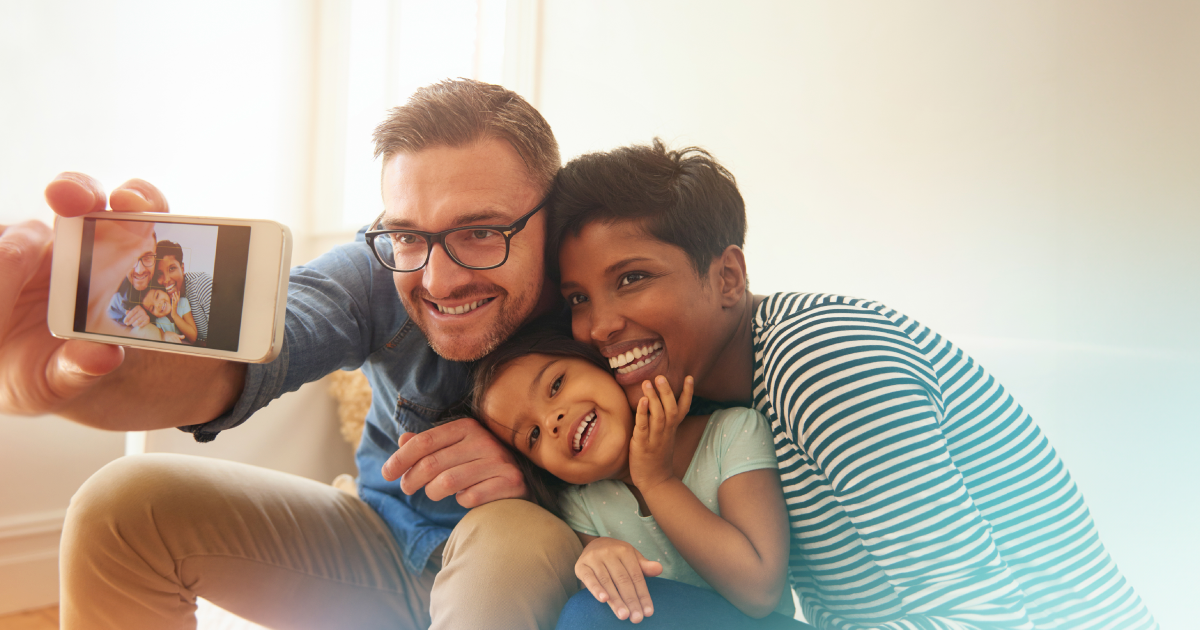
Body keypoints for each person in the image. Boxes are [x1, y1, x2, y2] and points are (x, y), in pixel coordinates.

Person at [0, 80, 582, 630]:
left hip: (531, 565)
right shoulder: (378, 271)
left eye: (479, 232)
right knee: (120, 505)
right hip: (385, 545)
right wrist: (79, 367)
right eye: (407, 235)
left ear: (553, 218)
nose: (438, 279)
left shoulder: (610, 294)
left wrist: (535, 478)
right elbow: (251, 355)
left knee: (511, 532)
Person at [546, 139, 1158, 629]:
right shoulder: (705, 392)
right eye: (578, 297)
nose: (597, 326)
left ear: (728, 277)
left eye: (631, 279)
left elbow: (986, 617)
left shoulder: (821, 360)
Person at [470, 328, 804, 628]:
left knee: (589, 616)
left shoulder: (731, 433)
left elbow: (760, 593)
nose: (552, 420)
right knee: (591, 610)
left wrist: (656, 481)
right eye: (532, 436)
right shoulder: (581, 506)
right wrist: (597, 554)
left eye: (556, 385)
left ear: (602, 365)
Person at [152, 239, 212, 345]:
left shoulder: (202, 285)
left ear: (182, 268)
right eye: (159, 274)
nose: (166, 280)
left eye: (172, 269)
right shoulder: (161, 301)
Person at [105, 234, 156, 330]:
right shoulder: (115, 293)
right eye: (132, 259)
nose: (139, 270)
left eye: (147, 258)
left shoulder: (164, 280)